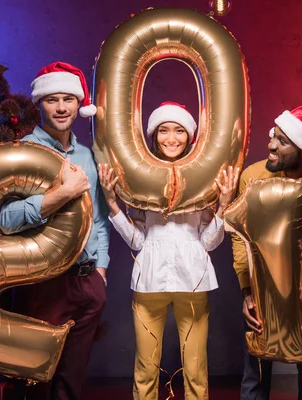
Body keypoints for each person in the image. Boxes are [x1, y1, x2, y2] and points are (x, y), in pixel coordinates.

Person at [98, 101, 239, 400]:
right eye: (164, 130)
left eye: (179, 131)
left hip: (194, 282)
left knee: (196, 369)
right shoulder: (139, 180)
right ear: (154, 135)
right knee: (146, 368)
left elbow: (208, 244)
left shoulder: (202, 179)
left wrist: (223, 206)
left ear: (190, 137)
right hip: (149, 283)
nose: (171, 138)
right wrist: (112, 203)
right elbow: (138, 241)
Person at [0, 61, 110, 400]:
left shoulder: (87, 156)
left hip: (87, 281)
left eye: (68, 99)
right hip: (42, 282)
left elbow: (100, 220)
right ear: (39, 103)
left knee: (72, 382)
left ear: (79, 104)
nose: (61, 108)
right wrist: (60, 194)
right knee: (36, 382)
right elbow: (6, 219)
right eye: (52, 99)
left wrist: (101, 271)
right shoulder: (22, 153)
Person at [231, 105, 302, 400]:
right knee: (255, 376)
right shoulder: (253, 177)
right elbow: (242, 239)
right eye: (274, 136)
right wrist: (247, 291)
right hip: (261, 292)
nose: (270, 144)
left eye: (282, 141)